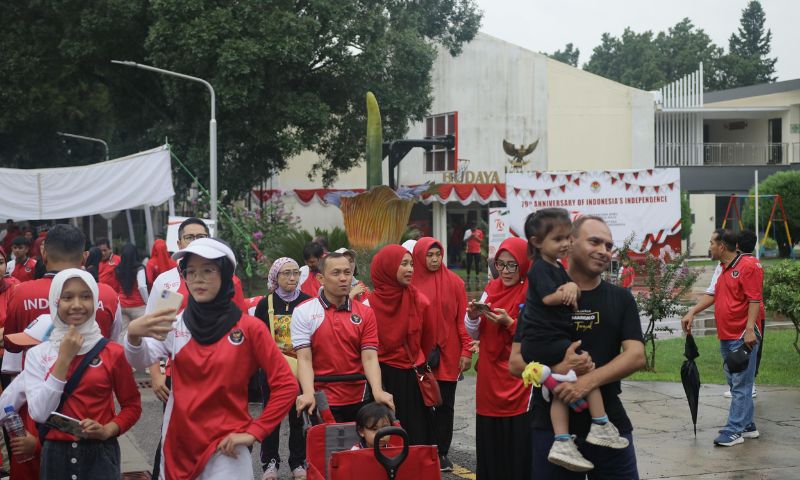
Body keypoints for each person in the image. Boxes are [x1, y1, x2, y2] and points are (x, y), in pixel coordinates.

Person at [125, 238, 297, 479]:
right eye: (191, 272)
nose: (198, 279)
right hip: (178, 450)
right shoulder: (177, 323)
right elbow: (141, 360)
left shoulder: (249, 329)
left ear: (225, 274)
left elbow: (286, 384)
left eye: (207, 270)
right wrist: (133, 336)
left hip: (228, 451)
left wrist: (256, 430)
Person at [510, 215, 646, 479]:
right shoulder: (541, 297)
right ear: (570, 243)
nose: (604, 251)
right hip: (551, 428)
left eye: (608, 246)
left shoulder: (621, 298)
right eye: (595, 241)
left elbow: (636, 356)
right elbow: (515, 362)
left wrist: (584, 382)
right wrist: (559, 369)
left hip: (608, 422)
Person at [18, 269, 142, 479]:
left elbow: (132, 406)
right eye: (67, 297)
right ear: (55, 301)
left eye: (86, 296)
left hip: (100, 454)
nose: (77, 305)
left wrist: (108, 430)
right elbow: (39, 413)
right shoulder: (37, 354)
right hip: (55, 456)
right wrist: (64, 360)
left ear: (95, 301)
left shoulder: (113, 353)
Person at [681, 229, 763, 447]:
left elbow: (755, 299)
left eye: (711, 243)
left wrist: (749, 330)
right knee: (735, 381)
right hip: (726, 335)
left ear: (722, 247)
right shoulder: (724, 268)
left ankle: (734, 430)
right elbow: (713, 295)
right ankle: (747, 425)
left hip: (742, 335)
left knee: (741, 384)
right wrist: (692, 312)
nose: (709, 247)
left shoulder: (748, 265)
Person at [293, 252, 394, 423]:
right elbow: (304, 359)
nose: (343, 278)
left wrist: (377, 390)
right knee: (327, 448)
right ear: (321, 278)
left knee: (360, 449)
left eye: (347, 273)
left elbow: (369, 358)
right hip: (322, 398)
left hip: (360, 395)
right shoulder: (304, 311)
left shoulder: (366, 312)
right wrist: (308, 392)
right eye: (336, 273)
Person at [464, 237, 534, 480]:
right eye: (500, 265)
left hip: (519, 379)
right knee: (490, 448)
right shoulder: (491, 289)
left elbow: (537, 339)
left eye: (512, 265)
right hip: (489, 379)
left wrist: (510, 324)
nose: (505, 271)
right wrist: (473, 316)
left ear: (524, 264)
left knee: (518, 450)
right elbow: (474, 331)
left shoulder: (531, 291)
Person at [4, 224, 122, 357]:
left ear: (44, 255)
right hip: (96, 371)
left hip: (38, 375)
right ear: (85, 257)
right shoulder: (109, 295)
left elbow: (11, 345)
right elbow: (112, 342)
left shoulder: (20, 293)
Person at [411, 237, 472, 471]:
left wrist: (466, 350)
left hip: (448, 355)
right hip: (418, 356)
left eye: (438, 254)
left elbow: (462, 321)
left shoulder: (455, 282)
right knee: (419, 405)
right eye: (430, 255)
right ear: (419, 256)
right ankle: (421, 449)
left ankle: (442, 452)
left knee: (445, 405)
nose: (435, 259)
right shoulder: (410, 282)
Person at [368, 244, 434, 445]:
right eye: (403, 264)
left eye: (412, 264)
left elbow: (429, 340)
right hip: (380, 377)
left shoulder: (420, 301)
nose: (410, 269)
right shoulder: (367, 305)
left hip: (412, 377)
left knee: (415, 434)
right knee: (382, 435)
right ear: (387, 267)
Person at [253, 257, 310, 480]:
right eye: (286, 273)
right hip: (272, 370)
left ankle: (298, 461)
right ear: (275, 277)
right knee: (272, 416)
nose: (292, 278)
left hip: (301, 367)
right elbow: (256, 338)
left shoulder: (307, 301)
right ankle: (270, 462)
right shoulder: (264, 303)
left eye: (295, 273)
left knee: (299, 416)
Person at [115, 243, 149, 342]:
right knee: (143, 332)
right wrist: (147, 302)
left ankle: (122, 355)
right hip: (138, 306)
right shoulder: (139, 268)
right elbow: (142, 286)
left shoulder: (118, 269)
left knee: (123, 333)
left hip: (122, 305)